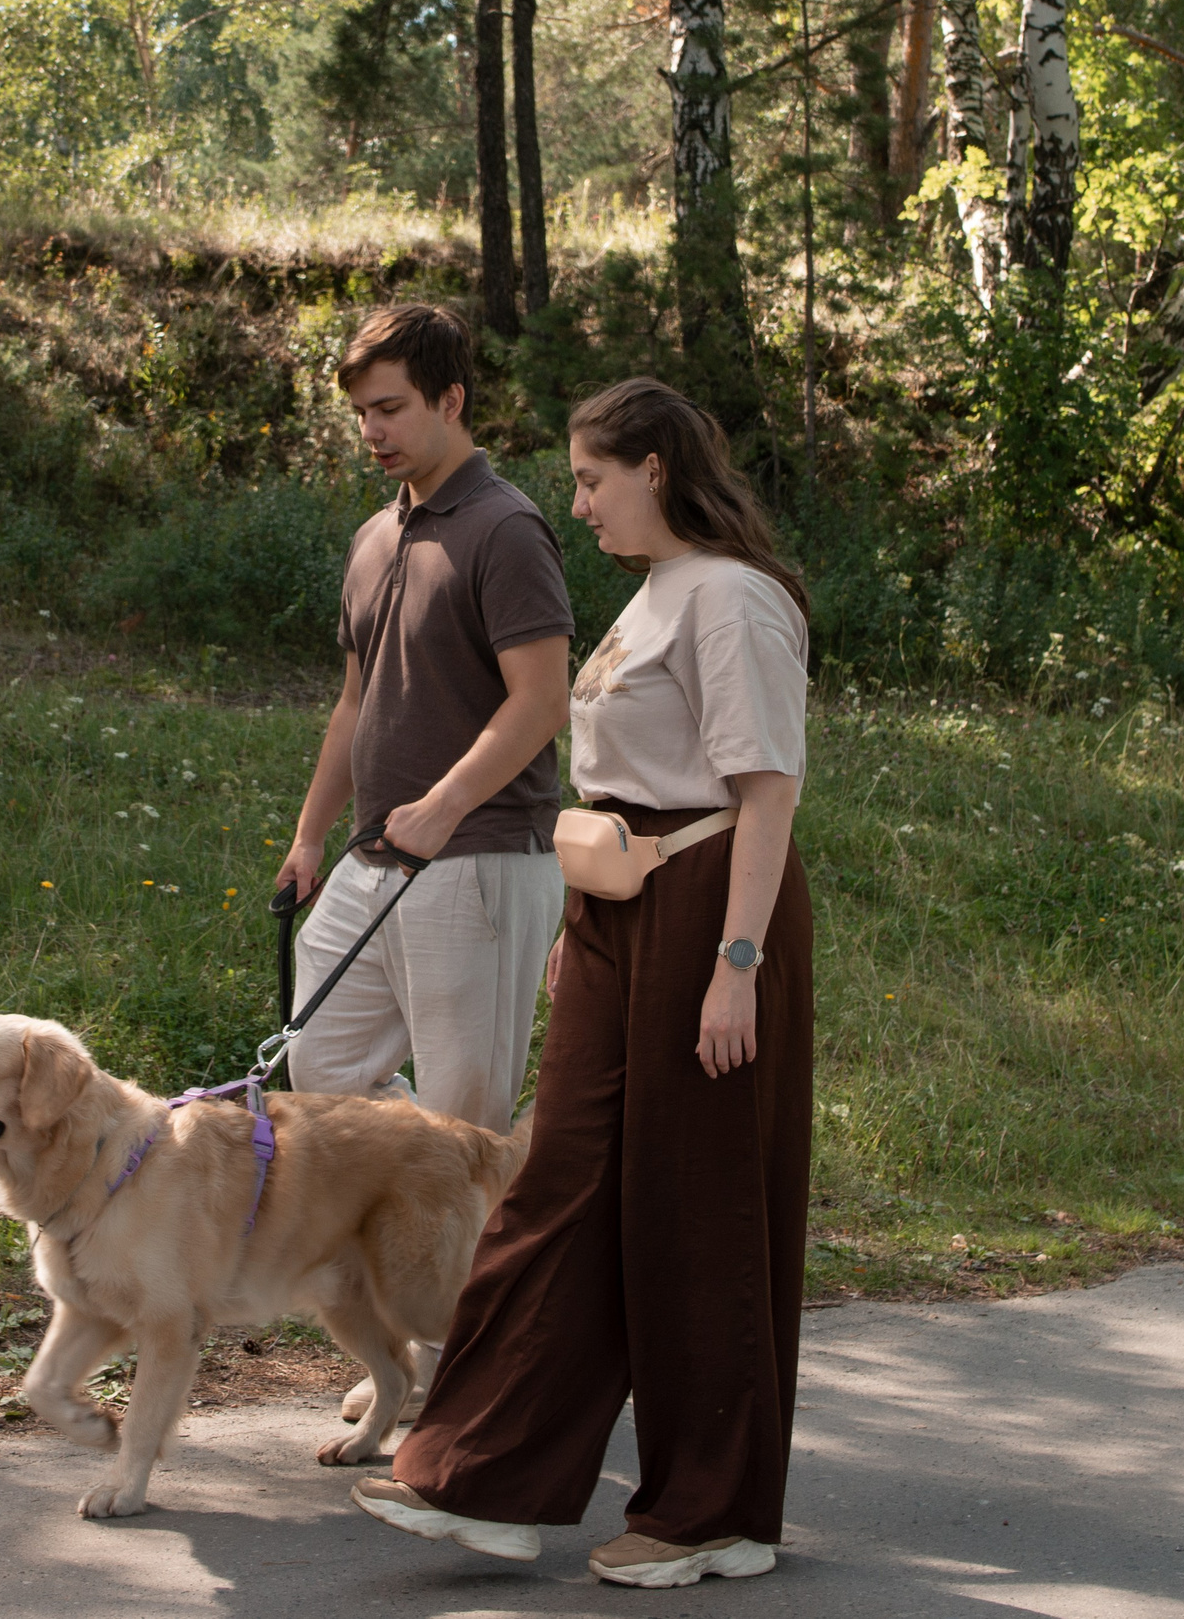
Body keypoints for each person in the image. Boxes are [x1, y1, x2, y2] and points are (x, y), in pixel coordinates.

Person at [350, 376, 814, 1591]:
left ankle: (716, 1515)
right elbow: (620, 789)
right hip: (621, 915)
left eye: (593, 480)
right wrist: (585, 925)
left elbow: (763, 793)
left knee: (693, 1207)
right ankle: (486, 1479)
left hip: (712, 913)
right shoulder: (656, 595)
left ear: (653, 468)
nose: (580, 504)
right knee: (555, 1190)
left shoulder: (732, 599)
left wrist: (735, 965)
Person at [274, 305, 571, 1425]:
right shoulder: (374, 535)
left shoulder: (507, 529)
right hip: (373, 857)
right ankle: (428, 1335)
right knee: (325, 1074)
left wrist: (444, 807)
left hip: (482, 860)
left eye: (391, 408)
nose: (374, 431)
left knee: (461, 1125)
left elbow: (540, 702)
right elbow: (354, 703)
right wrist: (311, 834)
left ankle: (466, 1369)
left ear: (451, 399)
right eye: (360, 414)